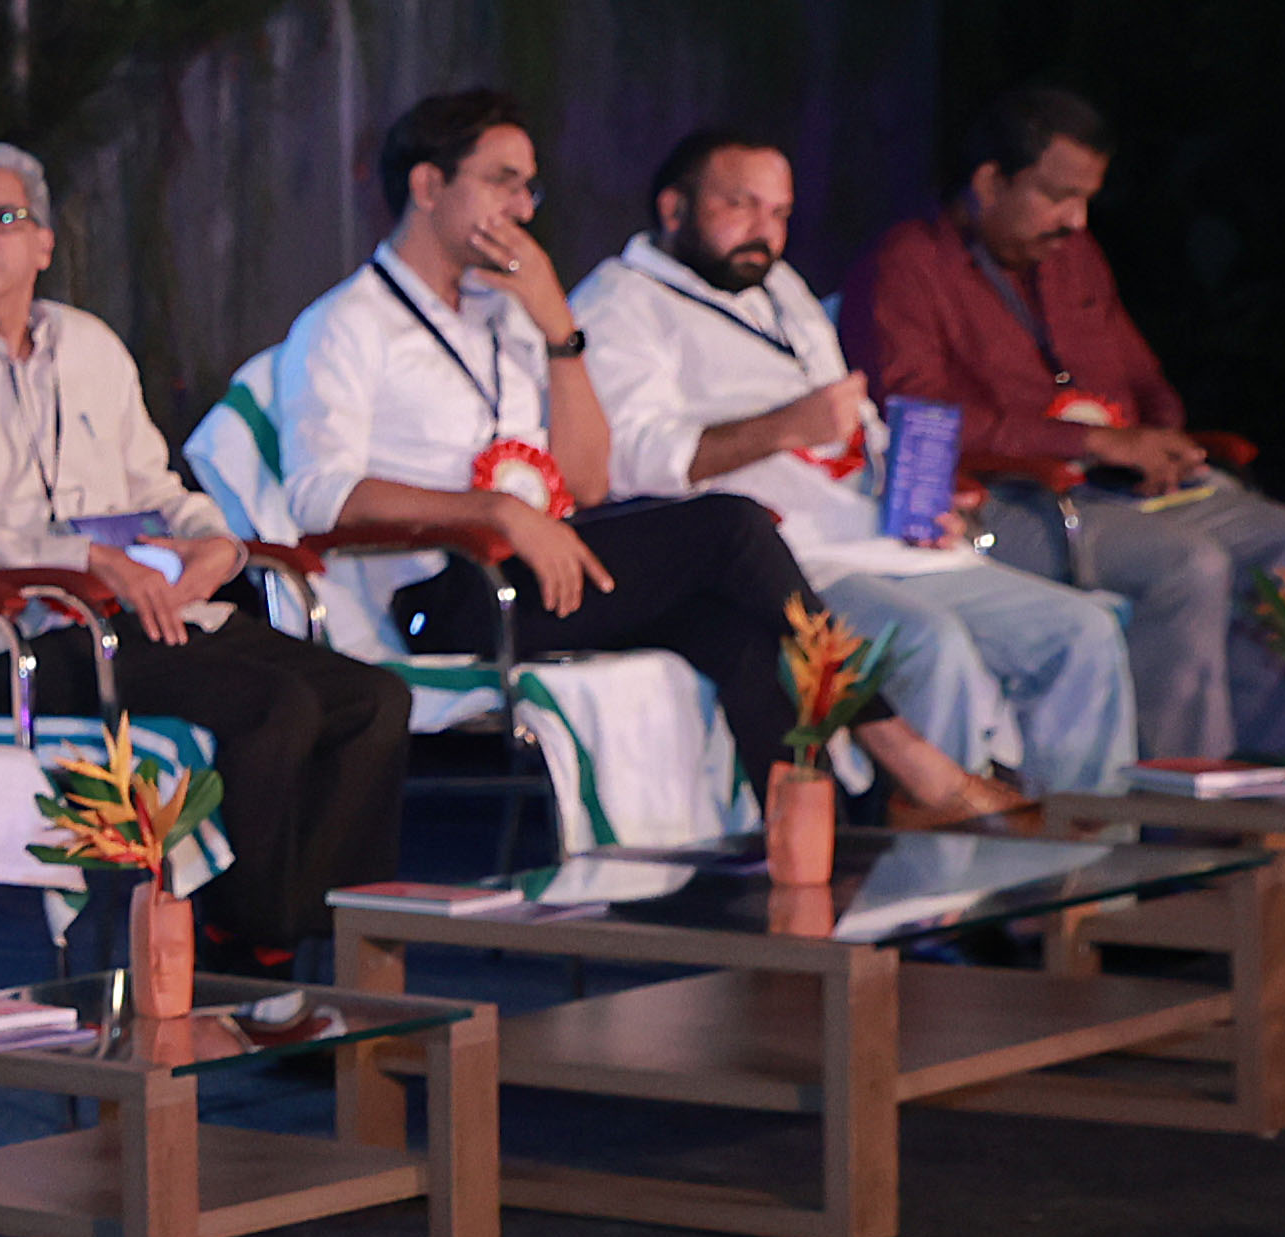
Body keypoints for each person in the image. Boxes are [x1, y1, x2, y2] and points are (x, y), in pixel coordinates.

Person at [257, 86, 1016, 820]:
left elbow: (587, 481)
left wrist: (559, 331)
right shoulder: (346, 324)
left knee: (740, 636)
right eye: (502, 182)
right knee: (730, 524)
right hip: (450, 595)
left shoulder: (505, 318)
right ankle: (901, 751)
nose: (523, 208)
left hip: (553, 566)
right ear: (428, 186)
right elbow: (320, 495)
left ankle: (819, 854)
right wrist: (496, 513)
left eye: (529, 188)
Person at [0, 142, 411, 966]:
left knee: (372, 699)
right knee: (273, 708)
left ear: (44, 243)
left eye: (3, 217)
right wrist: (75, 559)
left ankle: (322, 946)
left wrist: (215, 541)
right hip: (9, 647)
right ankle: (254, 957)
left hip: (145, 614)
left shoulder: (89, 345)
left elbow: (154, 484)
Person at [575, 128, 1137, 794]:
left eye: (780, 213)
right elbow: (627, 464)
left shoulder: (780, 287)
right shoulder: (619, 304)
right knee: (930, 646)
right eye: (741, 205)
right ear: (674, 209)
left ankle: (1081, 854)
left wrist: (923, 494)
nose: (765, 232)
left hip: (879, 538)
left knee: (1082, 635)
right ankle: (946, 854)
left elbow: (855, 422)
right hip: (781, 566)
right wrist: (784, 428)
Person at [842, 85, 1285, 761]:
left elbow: (1144, 378)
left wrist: (1165, 443)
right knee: (1187, 565)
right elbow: (920, 420)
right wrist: (1092, 441)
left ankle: (1270, 778)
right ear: (989, 182)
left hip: (1118, 487)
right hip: (1007, 498)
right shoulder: (906, 266)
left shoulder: (1074, 257)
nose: (1075, 221)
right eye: (1057, 197)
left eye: (1086, 200)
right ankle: (1179, 799)